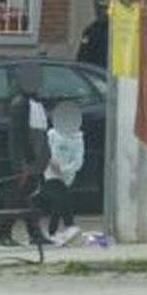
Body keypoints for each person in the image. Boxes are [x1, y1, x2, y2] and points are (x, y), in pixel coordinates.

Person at [0, 63, 52, 248]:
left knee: (27, 197)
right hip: (23, 161)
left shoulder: (35, 103)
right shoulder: (20, 104)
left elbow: (40, 133)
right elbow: (19, 137)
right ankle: (3, 234)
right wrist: (23, 162)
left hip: (33, 159)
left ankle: (34, 233)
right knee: (16, 198)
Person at [43, 101, 85, 245]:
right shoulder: (52, 134)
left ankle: (52, 232)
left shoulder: (78, 139)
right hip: (50, 174)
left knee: (58, 203)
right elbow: (45, 151)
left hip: (67, 176)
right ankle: (69, 225)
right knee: (61, 195)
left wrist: (65, 169)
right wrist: (52, 164)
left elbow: (78, 161)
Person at [76, 0, 112, 68]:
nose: (101, 12)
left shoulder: (120, 30)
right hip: (95, 74)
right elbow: (82, 57)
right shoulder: (90, 30)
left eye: (105, 8)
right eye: (98, 8)